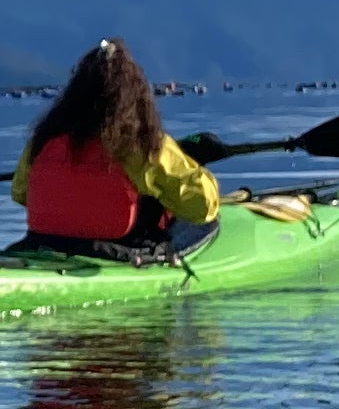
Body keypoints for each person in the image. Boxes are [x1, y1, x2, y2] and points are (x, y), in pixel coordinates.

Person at [12, 40, 224, 255]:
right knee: (209, 222)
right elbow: (203, 207)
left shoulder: (43, 141)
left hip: (45, 242)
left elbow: (21, 193)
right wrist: (191, 168)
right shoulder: (143, 145)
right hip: (117, 250)